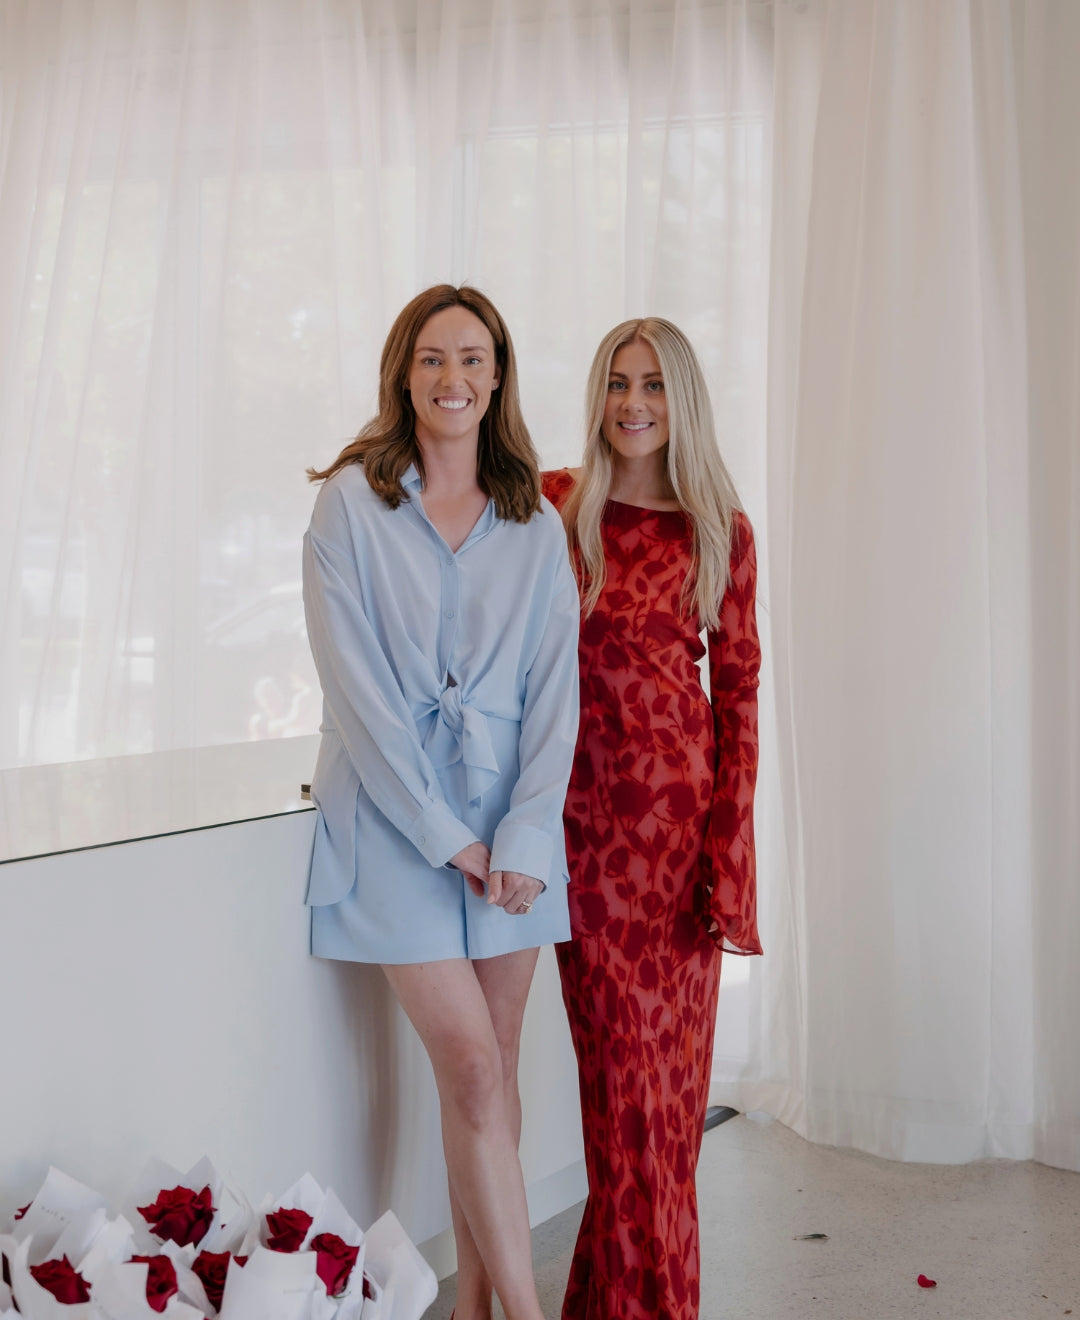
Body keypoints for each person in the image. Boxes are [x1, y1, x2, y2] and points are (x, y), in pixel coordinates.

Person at [303, 285, 579, 1320]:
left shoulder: (535, 525)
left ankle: (474, 1309)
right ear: (402, 373)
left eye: (471, 357)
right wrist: (451, 841)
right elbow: (360, 699)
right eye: (430, 359)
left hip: (514, 824)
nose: (451, 378)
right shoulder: (348, 507)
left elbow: (557, 703)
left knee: (490, 1080)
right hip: (394, 823)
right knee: (469, 1065)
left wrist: (522, 836)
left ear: (498, 374)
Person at [542, 317, 762, 1320]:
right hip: (582, 842)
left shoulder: (720, 525)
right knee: (621, 1110)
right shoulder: (556, 506)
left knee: (664, 1123)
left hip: (676, 857)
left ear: (684, 401)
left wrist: (728, 855)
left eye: (654, 385)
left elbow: (742, 699)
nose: (632, 402)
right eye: (617, 383)